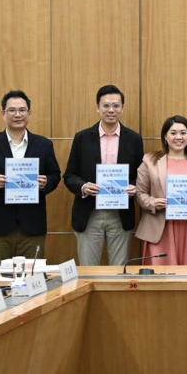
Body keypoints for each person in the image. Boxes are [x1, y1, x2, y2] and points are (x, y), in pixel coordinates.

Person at [0, 90, 62, 271]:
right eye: (12, 110)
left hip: (32, 226)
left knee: (32, 278)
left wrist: (46, 184)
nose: (17, 114)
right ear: (3, 114)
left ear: (29, 113)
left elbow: (55, 175)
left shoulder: (43, 144)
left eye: (22, 110)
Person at [63, 85, 146, 266]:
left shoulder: (134, 139)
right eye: (106, 105)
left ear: (122, 108)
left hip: (120, 213)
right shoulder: (82, 138)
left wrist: (133, 186)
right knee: (88, 269)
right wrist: (83, 186)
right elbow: (69, 175)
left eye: (116, 106)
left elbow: (140, 175)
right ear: (97, 107)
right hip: (89, 212)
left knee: (119, 269)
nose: (111, 110)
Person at [135, 115, 187, 265]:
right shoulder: (150, 161)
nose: (178, 137)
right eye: (173, 133)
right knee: (162, 273)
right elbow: (140, 193)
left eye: (183, 133)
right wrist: (153, 202)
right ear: (165, 136)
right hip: (161, 228)